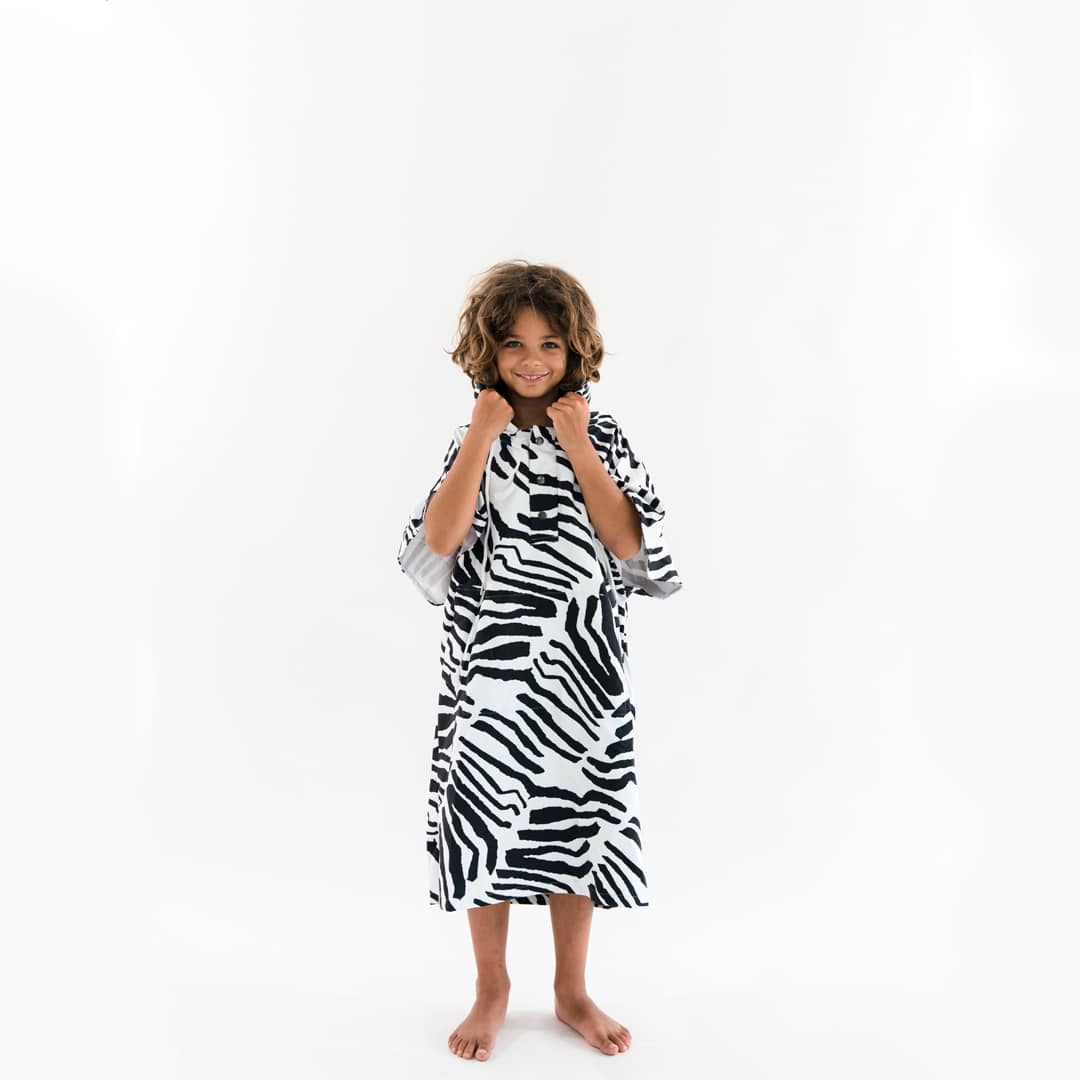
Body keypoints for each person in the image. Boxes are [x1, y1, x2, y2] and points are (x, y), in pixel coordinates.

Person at [396, 260, 683, 1060]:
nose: (532, 359)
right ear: (488, 350)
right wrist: (481, 434)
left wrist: (579, 445)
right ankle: (491, 987)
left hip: (582, 672)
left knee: (576, 818)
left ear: (575, 349)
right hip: (490, 675)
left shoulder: (605, 436)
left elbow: (629, 544)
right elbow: (439, 542)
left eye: (550, 343)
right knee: (486, 819)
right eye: (515, 343)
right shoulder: (474, 440)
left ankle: (571, 990)